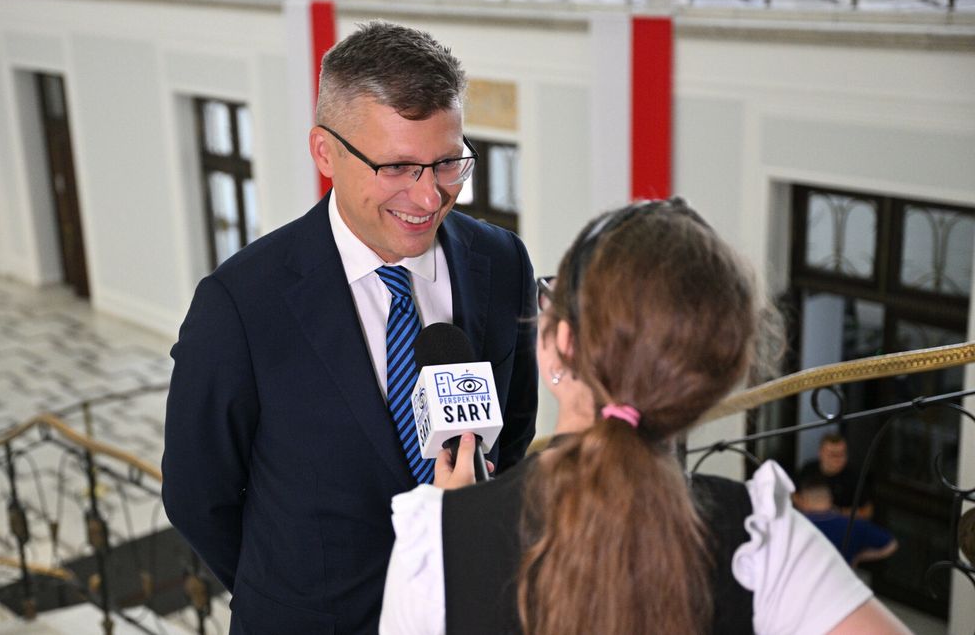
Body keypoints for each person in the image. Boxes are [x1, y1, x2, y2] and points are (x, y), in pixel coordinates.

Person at [162, 21, 539, 634]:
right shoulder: (239, 305)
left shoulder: (501, 262)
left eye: (447, 163)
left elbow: (512, 431)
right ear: (324, 152)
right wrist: (291, 596)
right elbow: (195, 497)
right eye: (396, 167)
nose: (427, 198)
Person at [380, 199, 909, 634]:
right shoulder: (763, 539)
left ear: (560, 344)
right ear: (711, 381)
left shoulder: (436, 546)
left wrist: (457, 524)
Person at [795, 473, 898, 567]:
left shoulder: (797, 525)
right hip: (841, 582)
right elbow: (891, 545)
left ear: (804, 501)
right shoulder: (854, 525)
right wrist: (857, 557)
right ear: (830, 499)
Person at [798, 433, 874, 519]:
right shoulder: (808, 469)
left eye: (841, 454)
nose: (836, 458)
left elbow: (867, 511)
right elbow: (793, 493)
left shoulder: (855, 476)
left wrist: (837, 512)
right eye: (832, 454)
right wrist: (804, 504)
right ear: (821, 453)